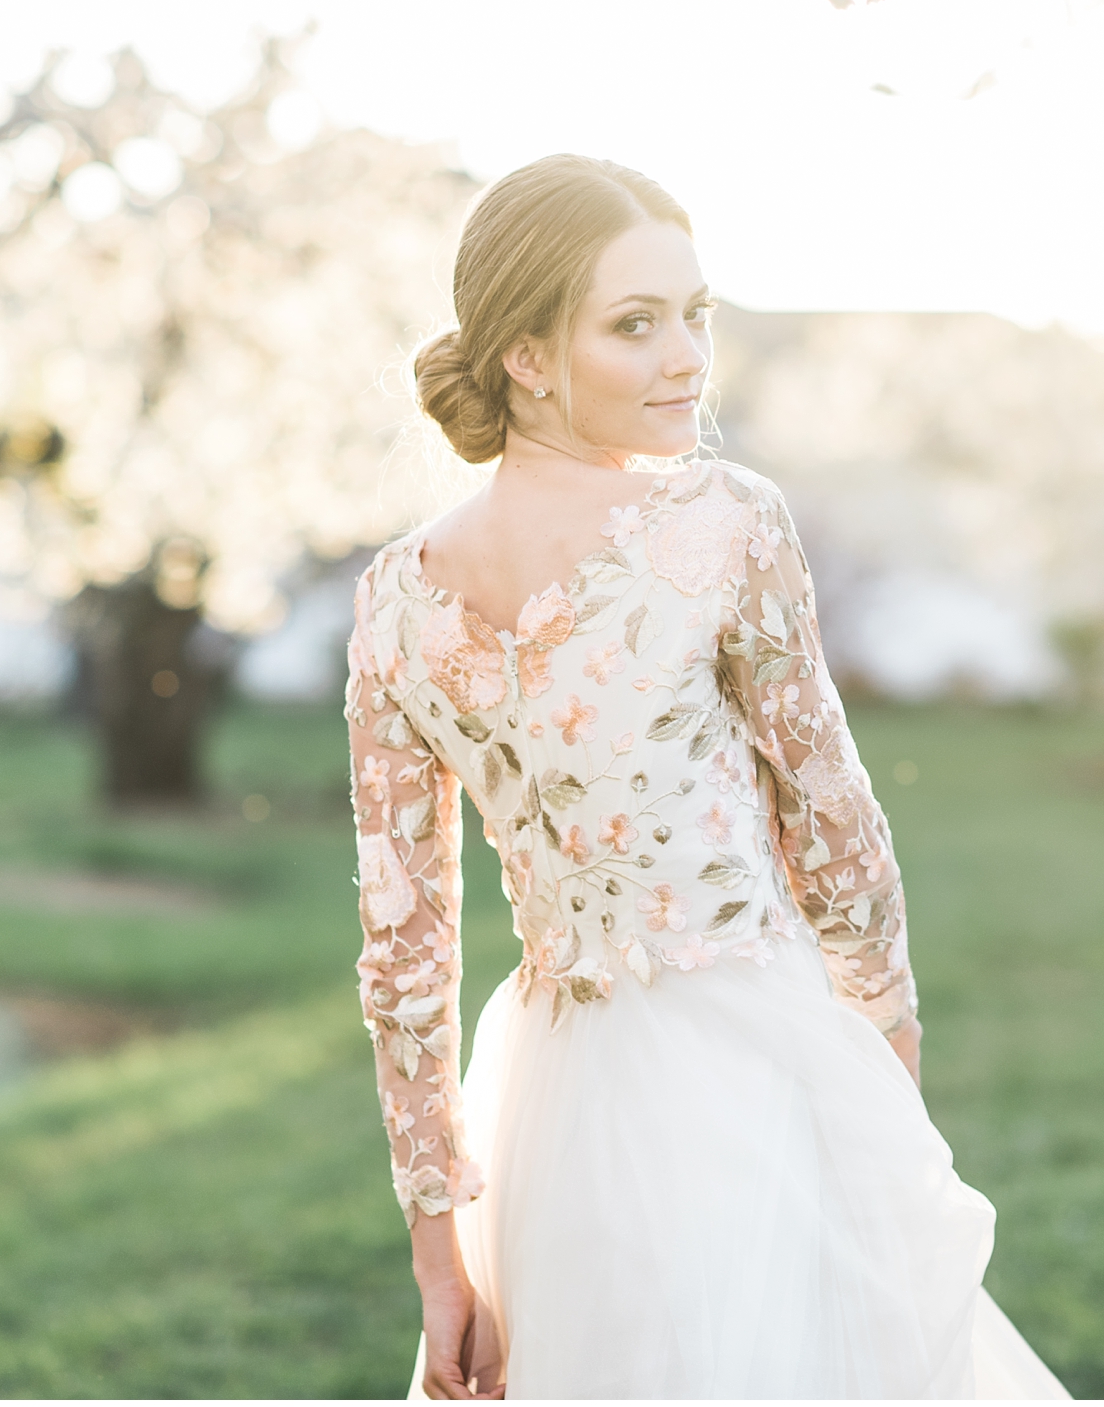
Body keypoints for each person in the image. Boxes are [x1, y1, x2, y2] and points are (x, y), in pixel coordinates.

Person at [344, 154, 1067, 1399]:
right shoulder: (723, 520)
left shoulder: (395, 598)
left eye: (696, 315)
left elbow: (406, 953)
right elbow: (831, 814)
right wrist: (885, 1052)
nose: (687, 357)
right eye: (636, 326)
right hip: (752, 1057)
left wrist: (440, 1248)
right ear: (526, 355)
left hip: (547, 1112)